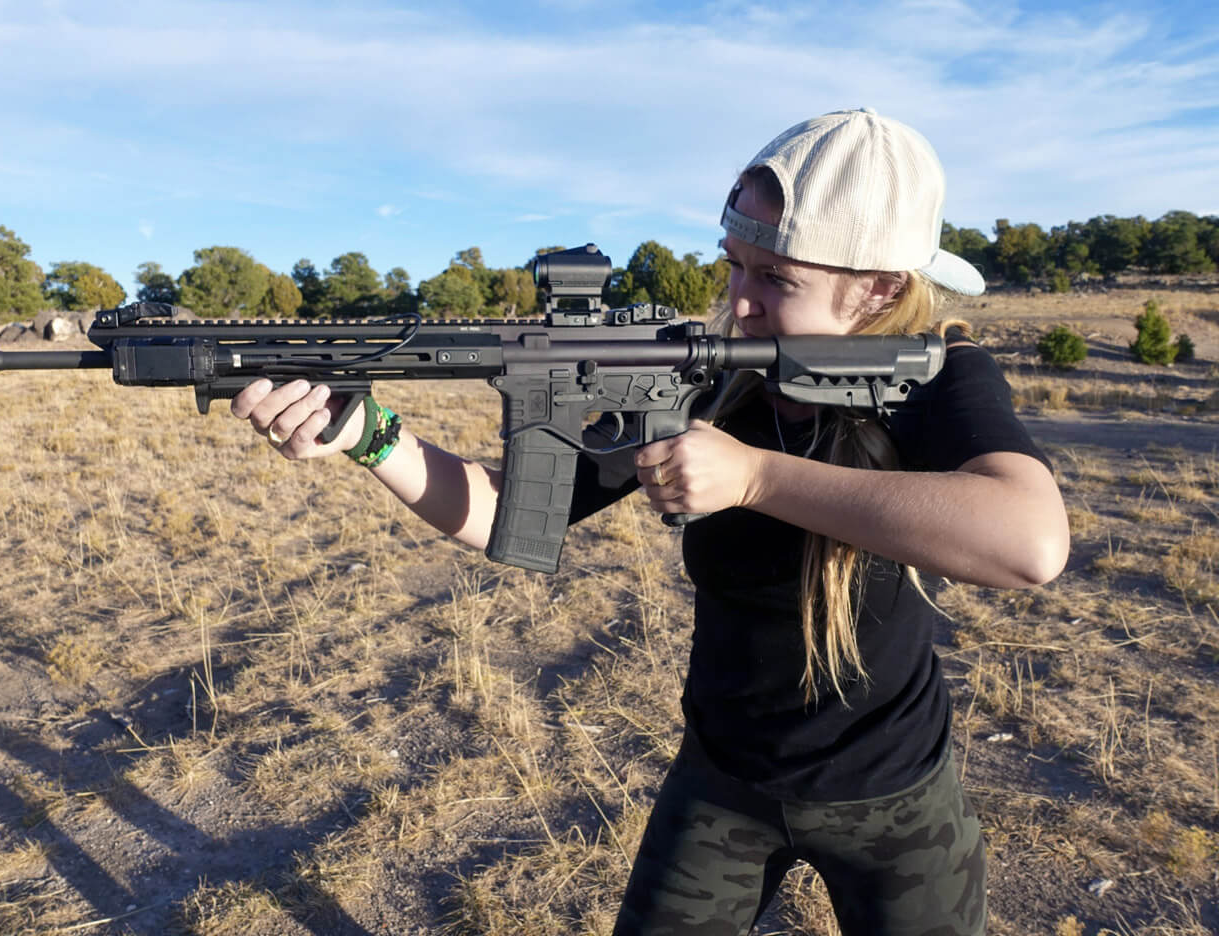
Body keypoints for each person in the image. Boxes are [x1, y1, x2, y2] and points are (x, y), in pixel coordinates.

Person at [231, 108, 1069, 936]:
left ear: (879, 287)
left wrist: (755, 476)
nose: (738, 303)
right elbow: (503, 518)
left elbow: (1029, 543)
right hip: (723, 783)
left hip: (895, 798)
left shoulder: (941, 378)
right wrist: (368, 435)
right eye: (733, 264)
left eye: (776, 279)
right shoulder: (698, 379)